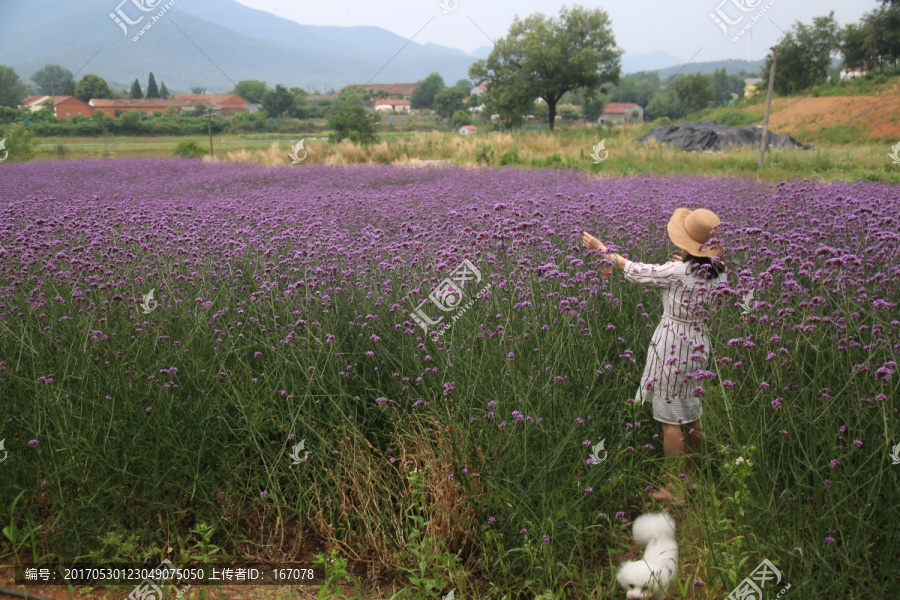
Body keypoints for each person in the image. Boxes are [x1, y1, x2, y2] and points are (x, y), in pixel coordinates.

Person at [582, 208, 726, 503]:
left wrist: (602, 250)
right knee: (692, 412)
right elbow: (695, 279)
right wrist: (684, 264)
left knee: (671, 419)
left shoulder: (675, 272)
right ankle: (692, 477)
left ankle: (674, 488)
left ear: (685, 245)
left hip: (672, 346)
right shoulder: (718, 273)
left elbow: (635, 270)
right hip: (698, 343)